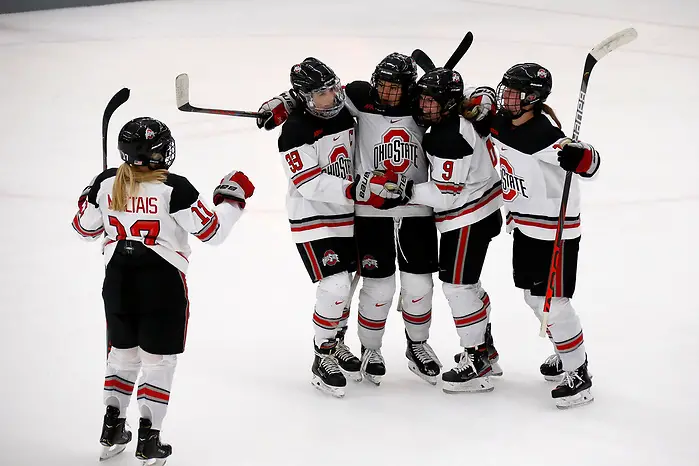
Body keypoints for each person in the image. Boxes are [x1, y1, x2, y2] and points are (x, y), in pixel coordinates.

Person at [259, 53, 465, 386]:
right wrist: (283, 102)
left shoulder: (418, 106)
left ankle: (417, 345)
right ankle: (367, 349)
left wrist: (476, 98)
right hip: (366, 212)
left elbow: (456, 105)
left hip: (413, 211)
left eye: (395, 87)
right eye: (381, 85)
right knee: (374, 286)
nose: (387, 92)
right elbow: (309, 171)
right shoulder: (357, 100)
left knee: (419, 286)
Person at [71, 117, 255, 463]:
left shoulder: (106, 183)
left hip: (118, 281)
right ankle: (149, 440)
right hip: (162, 283)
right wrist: (233, 201)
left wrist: (88, 196)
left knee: (122, 356)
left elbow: (83, 228)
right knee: (157, 363)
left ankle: (111, 430)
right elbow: (212, 233)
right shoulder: (176, 188)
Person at [471, 63, 598, 408]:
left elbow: (592, 165)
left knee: (553, 303)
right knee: (533, 297)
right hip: (525, 226)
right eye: (505, 88)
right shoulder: (501, 122)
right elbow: (479, 104)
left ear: (533, 98)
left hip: (555, 230)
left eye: (514, 92)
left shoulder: (545, 135)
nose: (505, 96)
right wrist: (476, 102)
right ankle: (564, 350)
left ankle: (578, 372)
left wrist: (581, 155)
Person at [276, 57, 401, 397]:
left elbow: (364, 93)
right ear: (304, 98)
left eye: (333, 88)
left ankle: (335, 342)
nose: (332, 97)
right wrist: (354, 189)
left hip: (348, 214)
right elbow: (308, 183)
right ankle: (321, 354)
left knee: (348, 284)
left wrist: (281, 99)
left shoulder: (344, 104)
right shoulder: (294, 131)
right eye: (321, 94)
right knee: (333, 286)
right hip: (312, 217)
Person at [383, 68, 504, 393]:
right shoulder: (458, 116)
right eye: (422, 98)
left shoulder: (447, 135)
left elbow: (444, 192)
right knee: (467, 286)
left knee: (458, 287)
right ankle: (485, 350)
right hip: (481, 208)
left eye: (432, 101)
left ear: (449, 104)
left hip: (468, 216)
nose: (425, 106)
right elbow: (482, 89)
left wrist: (405, 192)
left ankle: (477, 360)